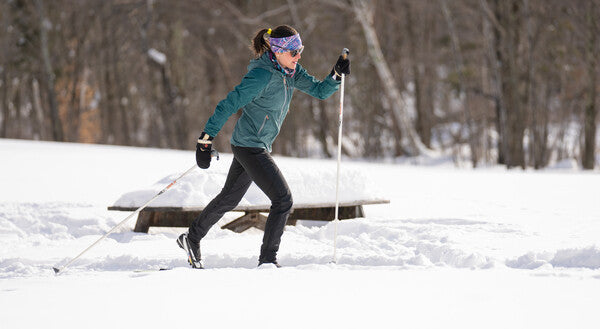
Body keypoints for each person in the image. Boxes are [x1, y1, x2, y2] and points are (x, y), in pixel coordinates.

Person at [177, 24, 350, 268]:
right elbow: (228, 104)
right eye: (294, 52)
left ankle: (191, 238)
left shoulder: (291, 71)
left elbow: (320, 92)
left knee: (229, 198)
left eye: (300, 50)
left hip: (253, 143)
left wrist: (335, 75)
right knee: (283, 200)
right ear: (278, 51)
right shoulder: (261, 76)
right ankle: (268, 260)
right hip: (250, 146)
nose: (298, 56)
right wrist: (205, 140)